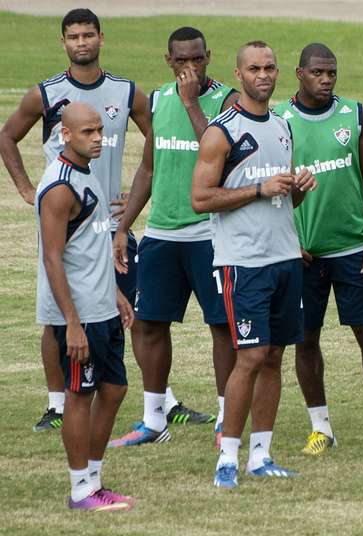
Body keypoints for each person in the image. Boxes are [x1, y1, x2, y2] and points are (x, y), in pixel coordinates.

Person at [0, 8, 150, 432]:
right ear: (63, 42)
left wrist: (137, 194)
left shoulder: (126, 92)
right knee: (57, 315)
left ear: (102, 38)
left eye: (88, 35)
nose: (81, 42)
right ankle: (58, 405)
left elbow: (158, 139)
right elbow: (7, 136)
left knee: (122, 310)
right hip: (64, 222)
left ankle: (134, 396)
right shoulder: (46, 95)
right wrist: (29, 192)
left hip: (109, 224)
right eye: (73, 36)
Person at [191, 41, 316, 488]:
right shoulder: (220, 132)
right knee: (251, 356)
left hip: (284, 258)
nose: (263, 75)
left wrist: (298, 186)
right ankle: (227, 455)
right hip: (243, 263)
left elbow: (283, 196)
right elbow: (201, 198)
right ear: (238, 73)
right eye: (254, 69)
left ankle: (261, 456)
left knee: (275, 356)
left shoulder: (282, 126)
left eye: (269, 68)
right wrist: (258, 189)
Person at [109, 27, 239, 448]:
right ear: (169, 61)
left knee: (221, 326)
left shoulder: (227, 101)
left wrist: (191, 104)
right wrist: (126, 224)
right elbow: (150, 166)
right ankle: (154, 419)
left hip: (210, 233)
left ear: (209, 57)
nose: (191, 68)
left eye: (198, 59)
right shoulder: (159, 99)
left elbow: (218, 152)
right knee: (147, 323)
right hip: (162, 233)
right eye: (182, 61)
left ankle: (225, 419)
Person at [272, 43, 363, 455]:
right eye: (318, 73)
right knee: (306, 338)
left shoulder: (354, 114)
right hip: (304, 253)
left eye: (331, 72)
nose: (326, 80)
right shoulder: (280, 121)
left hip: (353, 248)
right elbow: (273, 189)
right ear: (299, 73)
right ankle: (321, 427)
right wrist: (288, 241)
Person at [36, 102, 135, 510]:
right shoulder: (59, 188)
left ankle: (94, 478)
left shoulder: (86, 171)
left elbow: (89, 246)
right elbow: (53, 258)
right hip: (77, 315)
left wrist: (114, 292)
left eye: (99, 131)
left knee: (114, 389)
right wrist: (71, 324)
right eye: (88, 133)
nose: (98, 139)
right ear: (66, 135)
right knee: (80, 394)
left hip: (102, 308)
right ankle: (80, 490)